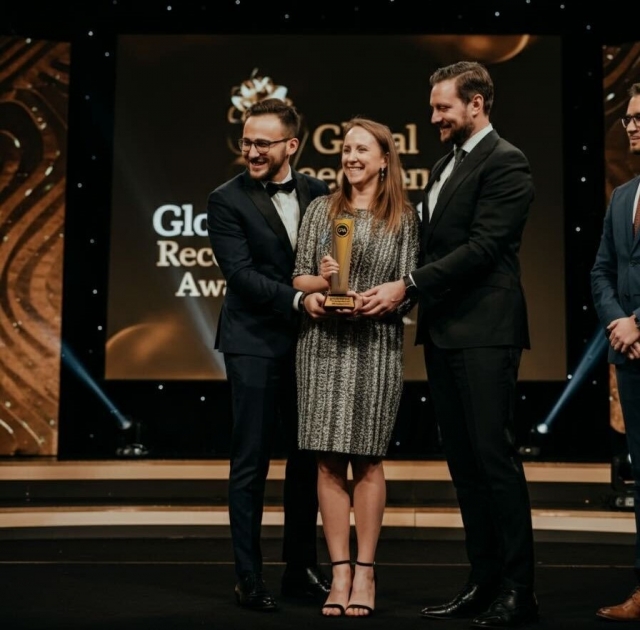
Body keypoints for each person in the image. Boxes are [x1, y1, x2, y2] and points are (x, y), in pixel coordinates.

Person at [360, 61, 538, 628]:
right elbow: (432, 246)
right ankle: (483, 581)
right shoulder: (444, 165)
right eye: (433, 107)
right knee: (464, 464)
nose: (434, 116)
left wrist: (408, 285)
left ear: (476, 104)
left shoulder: (506, 161)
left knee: (493, 460)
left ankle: (519, 590)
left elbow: (484, 248)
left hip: (485, 332)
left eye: (443, 107)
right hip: (443, 333)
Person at [291, 117, 420, 617]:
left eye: (362, 149)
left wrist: (383, 299)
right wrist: (322, 286)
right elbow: (299, 277)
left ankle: (365, 571)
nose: (351, 157)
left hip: (375, 346)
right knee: (326, 461)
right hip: (322, 346)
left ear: (385, 159)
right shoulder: (321, 209)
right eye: (346, 149)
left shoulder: (404, 217)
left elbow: (409, 288)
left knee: (367, 458)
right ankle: (339, 571)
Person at [206, 97, 331, 612]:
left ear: (291, 145)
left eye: (263, 143)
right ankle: (249, 576)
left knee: (305, 461)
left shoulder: (319, 192)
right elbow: (240, 275)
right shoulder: (225, 200)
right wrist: (299, 299)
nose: (252, 151)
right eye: (247, 142)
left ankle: (300, 569)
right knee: (251, 461)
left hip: (309, 345)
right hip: (253, 343)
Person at [591, 82, 640, 622]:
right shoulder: (623, 196)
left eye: (639, 116)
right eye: (628, 117)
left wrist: (638, 321)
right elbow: (601, 270)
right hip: (631, 357)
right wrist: (619, 322)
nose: (631, 125)